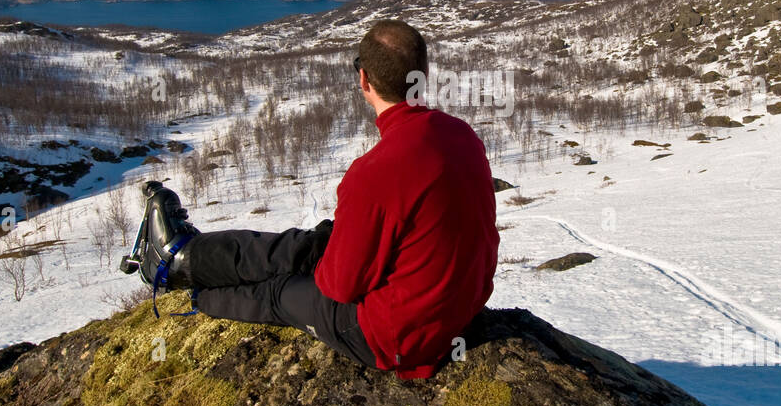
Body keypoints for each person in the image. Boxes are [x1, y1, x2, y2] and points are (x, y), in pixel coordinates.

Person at [121, 19, 500, 379]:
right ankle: (183, 254)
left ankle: (194, 295)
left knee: (279, 290)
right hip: (454, 309)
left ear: (363, 78)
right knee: (308, 245)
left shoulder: (375, 171)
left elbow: (340, 289)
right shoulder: (461, 135)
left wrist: (315, 263)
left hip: (396, 336)